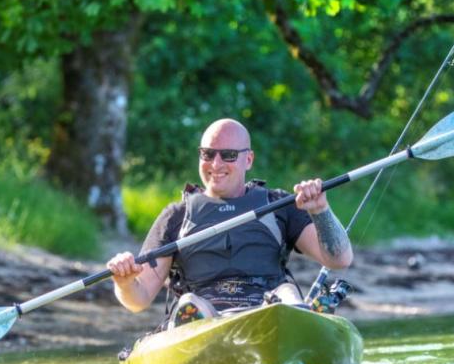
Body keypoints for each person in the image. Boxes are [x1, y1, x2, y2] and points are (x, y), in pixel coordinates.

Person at [107, 118, 352, 327]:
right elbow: (138, 300)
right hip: (205, 316)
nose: (216, 164)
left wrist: (321, 210)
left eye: (228, 155)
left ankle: (298, 317)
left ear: (248, 159)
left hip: (270, 311)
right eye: (208, 154)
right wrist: (125, 281)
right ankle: (194, 322)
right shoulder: (176, 217)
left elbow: (339, 259)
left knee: (286, 293)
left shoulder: (280, 205)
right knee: (190, 303)